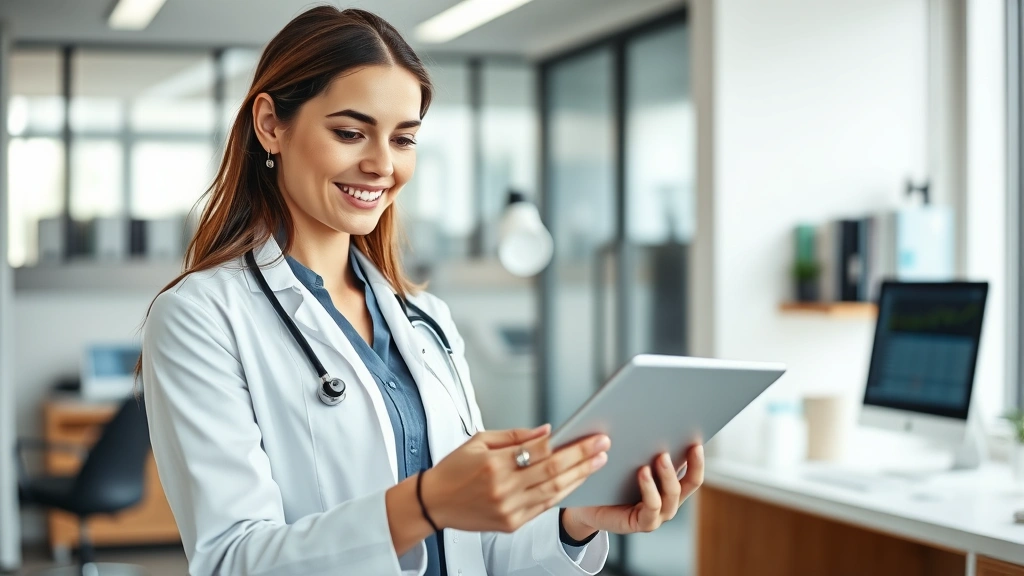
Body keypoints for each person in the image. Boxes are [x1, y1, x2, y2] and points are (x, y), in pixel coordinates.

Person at [138, 7, 704, 576]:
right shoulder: (200, 317)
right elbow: (232, 560)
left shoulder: (425, 320)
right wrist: (425, 503)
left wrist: (576, 520)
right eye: (349, 133)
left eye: (403, 139)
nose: (382, 164)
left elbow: (476, 546)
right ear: (270, 124)